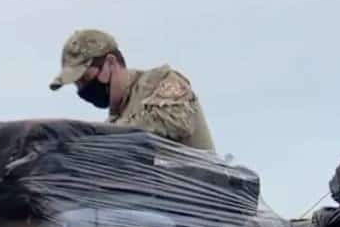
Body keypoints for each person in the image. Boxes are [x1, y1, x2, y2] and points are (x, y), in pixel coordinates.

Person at [48, 29, 215, 150]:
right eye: (77, 84)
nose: (82, 89)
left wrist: (95, 137)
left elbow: (174, 121)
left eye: (85, 78)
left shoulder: (161, 81)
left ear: (110, 63)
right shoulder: (114, 122)